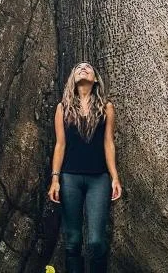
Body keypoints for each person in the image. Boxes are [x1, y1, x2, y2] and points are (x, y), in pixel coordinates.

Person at [47, 62, 122, 273]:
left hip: (99, 179)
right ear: (72, 78)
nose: (83, 68)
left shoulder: (106, 107)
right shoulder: (62, 108)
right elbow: (60, 144)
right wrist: (55, 179)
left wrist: (115, 177)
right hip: (69, 178)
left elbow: (108, 143)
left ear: (95, 79)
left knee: (96, 241)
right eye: (78, 68)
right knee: (72, 241)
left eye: (88, 68)